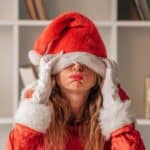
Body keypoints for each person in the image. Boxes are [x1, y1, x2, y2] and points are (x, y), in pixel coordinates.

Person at [6, 12, 145, 150]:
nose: (77, 67)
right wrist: (38, 102)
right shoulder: (39, 119)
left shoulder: (108, 120)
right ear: (52, 74)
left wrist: (113, 105)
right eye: (67, 61)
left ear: (99, 76)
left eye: (87, 62)